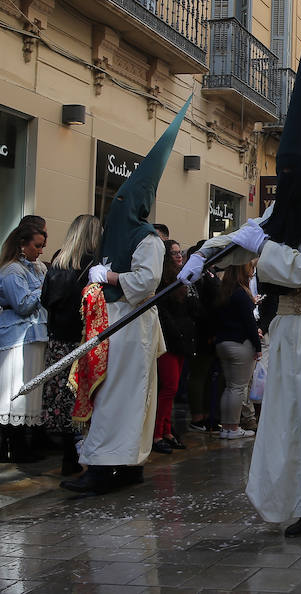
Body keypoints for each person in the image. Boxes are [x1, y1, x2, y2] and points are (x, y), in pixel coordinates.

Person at [180, 16, 301, 539]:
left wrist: (263, 250)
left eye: (289, 175)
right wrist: (202, 256)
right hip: (286, 330)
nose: (281, 185)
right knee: (286, 426)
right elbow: (243, 239)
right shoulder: (278, 218)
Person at [61, 97, 191, 494]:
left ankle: (107, 466)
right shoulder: (121, 237)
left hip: (132, 327)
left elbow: (145, 284)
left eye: (122, 201)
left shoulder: (147, 239)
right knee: (114, 396)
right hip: (115, 325)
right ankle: (120, 464)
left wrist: (112, 276)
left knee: (122, 397)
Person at [40, 214, 101, 474]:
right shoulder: (93, 266)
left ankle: (68, 455)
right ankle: (87, 453)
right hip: (83, 340)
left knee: (62, 400)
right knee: (85, 396)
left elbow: (45, 300)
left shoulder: (58, 263)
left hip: (58, 340)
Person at [0, 221, 48, 462]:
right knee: (15, 390)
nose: (41, 251)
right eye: (37, 246)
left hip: (34, 334)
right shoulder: (11, 271)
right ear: (22, 245)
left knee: (29, 390)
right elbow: (21, 305)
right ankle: (14, 446)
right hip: (15, 337)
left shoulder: (36, 267)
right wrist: (42, 289)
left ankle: (22, 443)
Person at [152, 240, 196, 454]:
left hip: (181, 340)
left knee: (173, 388)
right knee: (168, 388)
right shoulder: (162, 282)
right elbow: (164, 313)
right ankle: (158, 433)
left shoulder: (181, 280)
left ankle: (167, 430)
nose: (179, 257)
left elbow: (190, 309)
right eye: (175, 254)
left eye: (181, 253)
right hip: (169, 340)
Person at [213, 262, 260, 440]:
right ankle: (232, 427)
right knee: (238, 388)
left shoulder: (224, 291)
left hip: (223, 342)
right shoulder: (241, 294)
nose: (252, 270)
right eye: (250, 267)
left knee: (230, 387)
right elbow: (249, 323)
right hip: (240, 343)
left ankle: (226, 426)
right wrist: (258, 346)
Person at [184, 242, 222, 434]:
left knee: (206, 375)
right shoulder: (199, 277)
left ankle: (205, 413)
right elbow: (204, 306)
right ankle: (198, 415)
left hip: (208, 329)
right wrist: (210, 331)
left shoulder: (208, 275)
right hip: (202, 331)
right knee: (199, 374)